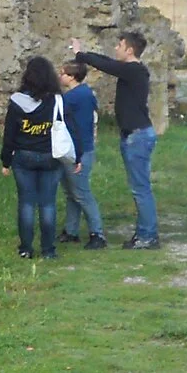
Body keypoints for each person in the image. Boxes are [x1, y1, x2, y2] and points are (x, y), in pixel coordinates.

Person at [69, 31, 158, 248]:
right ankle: (144, 233)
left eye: (119, 45)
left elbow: (107, 65)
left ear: (129, 50)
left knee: (141, 188)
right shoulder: (129, 70)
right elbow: (109, 62)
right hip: (133, 135)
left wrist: (81, 54)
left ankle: (147, 236)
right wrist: (85, 54)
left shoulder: (135, 70)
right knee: (139, 186)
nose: (116, 48)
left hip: (137, 136)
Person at [2, 56, 66, 259]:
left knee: (26, 203)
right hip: (50, 156)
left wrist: (5, 160)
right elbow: (66, 127)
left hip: (24, 156)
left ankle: (26, 249)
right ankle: (48, 250)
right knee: (48, 203)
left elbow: (9, 133)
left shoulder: (16, 101)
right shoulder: (56, 100)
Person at [56, 61, 107, 249]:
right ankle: (71, 230)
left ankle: (97, 233)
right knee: (72, 192)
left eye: (63, 73)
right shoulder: (85, 93)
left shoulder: (75, 97)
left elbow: (77, 125)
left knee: (81, 193)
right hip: (80, 148)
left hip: (79, 149)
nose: (60, 76)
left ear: (72, 77)